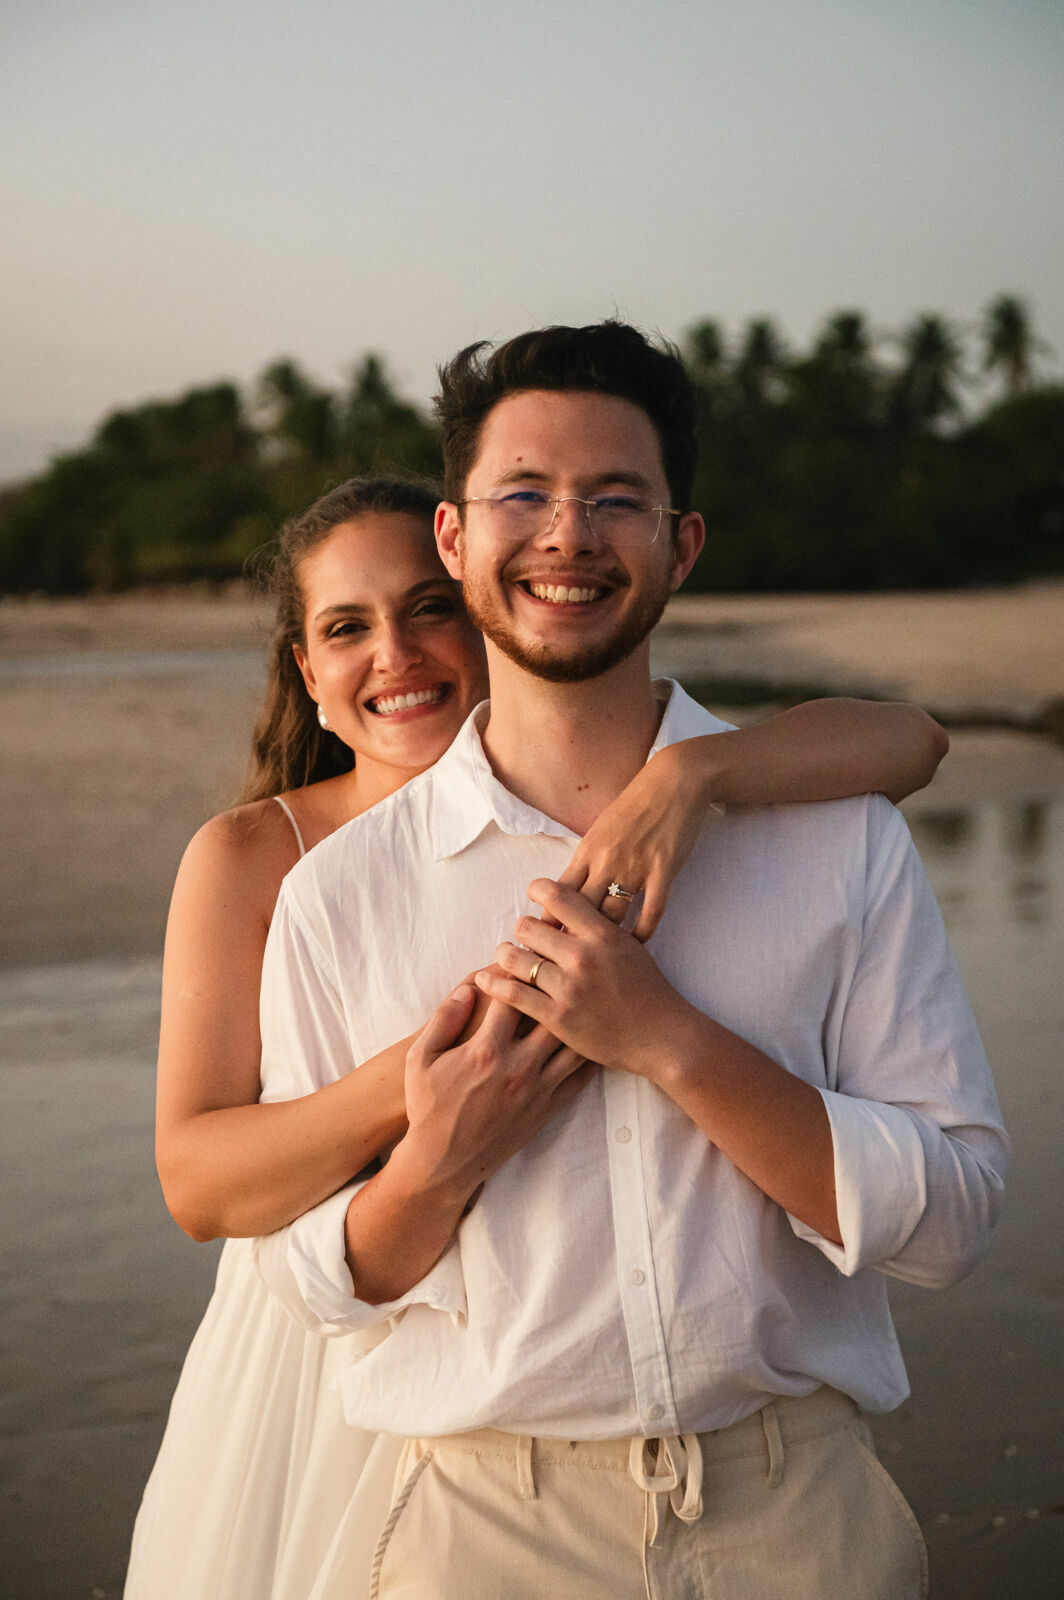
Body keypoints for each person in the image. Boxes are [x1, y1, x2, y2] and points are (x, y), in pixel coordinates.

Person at [253, 324, 1007, 1600]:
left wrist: (668, 1039)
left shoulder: (839, 842)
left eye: (617, 500)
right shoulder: (339, 893)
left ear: (680, 543)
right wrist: (440, 1161)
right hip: (478, 1529)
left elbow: (951, 1222)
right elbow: (316, 1282)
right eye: (524, 495)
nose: (566, 535)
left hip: (797, 1513)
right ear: (453, 537)